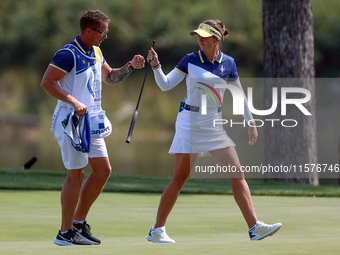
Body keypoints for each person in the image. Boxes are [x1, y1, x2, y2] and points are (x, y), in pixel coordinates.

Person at [145, 19, 282, 243]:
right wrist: (156, 66)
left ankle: (254, 227)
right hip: (189, 122)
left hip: (213, 124)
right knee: (180, 178)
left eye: (204, 36)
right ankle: (157, 230)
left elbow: (238, 95)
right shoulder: (190, 60)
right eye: (197, 36)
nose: (199, 40)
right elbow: (165, 85)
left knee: (237, 174)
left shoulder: (228, 63)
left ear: (216, 39)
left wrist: (251, 122)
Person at [40, 10, 145, 246]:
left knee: (103, 170)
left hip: (92, 122)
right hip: (71, 122)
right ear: (89, 31)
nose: (106, 36)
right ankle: (64, 233)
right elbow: (47, 82)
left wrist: (130, 66)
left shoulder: (96, 51)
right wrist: (74, 101)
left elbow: (109, 77)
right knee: (76, 175)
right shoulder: (68, 54)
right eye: (103, 32)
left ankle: (78, 224)